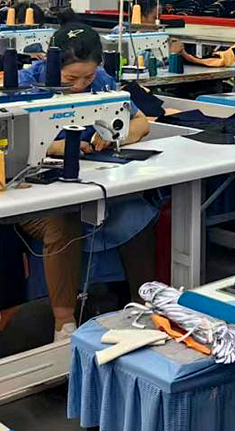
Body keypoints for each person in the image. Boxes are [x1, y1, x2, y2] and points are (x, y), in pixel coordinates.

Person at [17, 23, 153, 340]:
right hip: (29, 191)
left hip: (88, 182)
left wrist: (115, 136)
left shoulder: (101, 82)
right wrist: (54, 147)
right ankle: (64, 325)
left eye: (87, 78)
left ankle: (144, 308)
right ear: (51, 64)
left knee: (137, 213)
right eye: (70, 79)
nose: (80, 86)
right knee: (62, 221)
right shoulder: (26, 84)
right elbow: (6, 141)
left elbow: (141, 123)